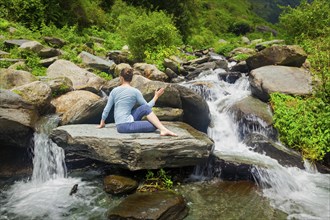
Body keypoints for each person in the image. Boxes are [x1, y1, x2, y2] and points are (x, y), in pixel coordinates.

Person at [98, 67, 177, 136]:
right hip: (125, 126)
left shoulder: (114, 91)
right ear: (131, 79)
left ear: (121, 78)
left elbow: (107, 108)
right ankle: (163, 129)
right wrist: (156, 96)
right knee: (154, 125)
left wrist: (102, 122)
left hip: (121, 124)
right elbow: (148, 106)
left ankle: (163, 129)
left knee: (146, 110)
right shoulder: (135, 91)